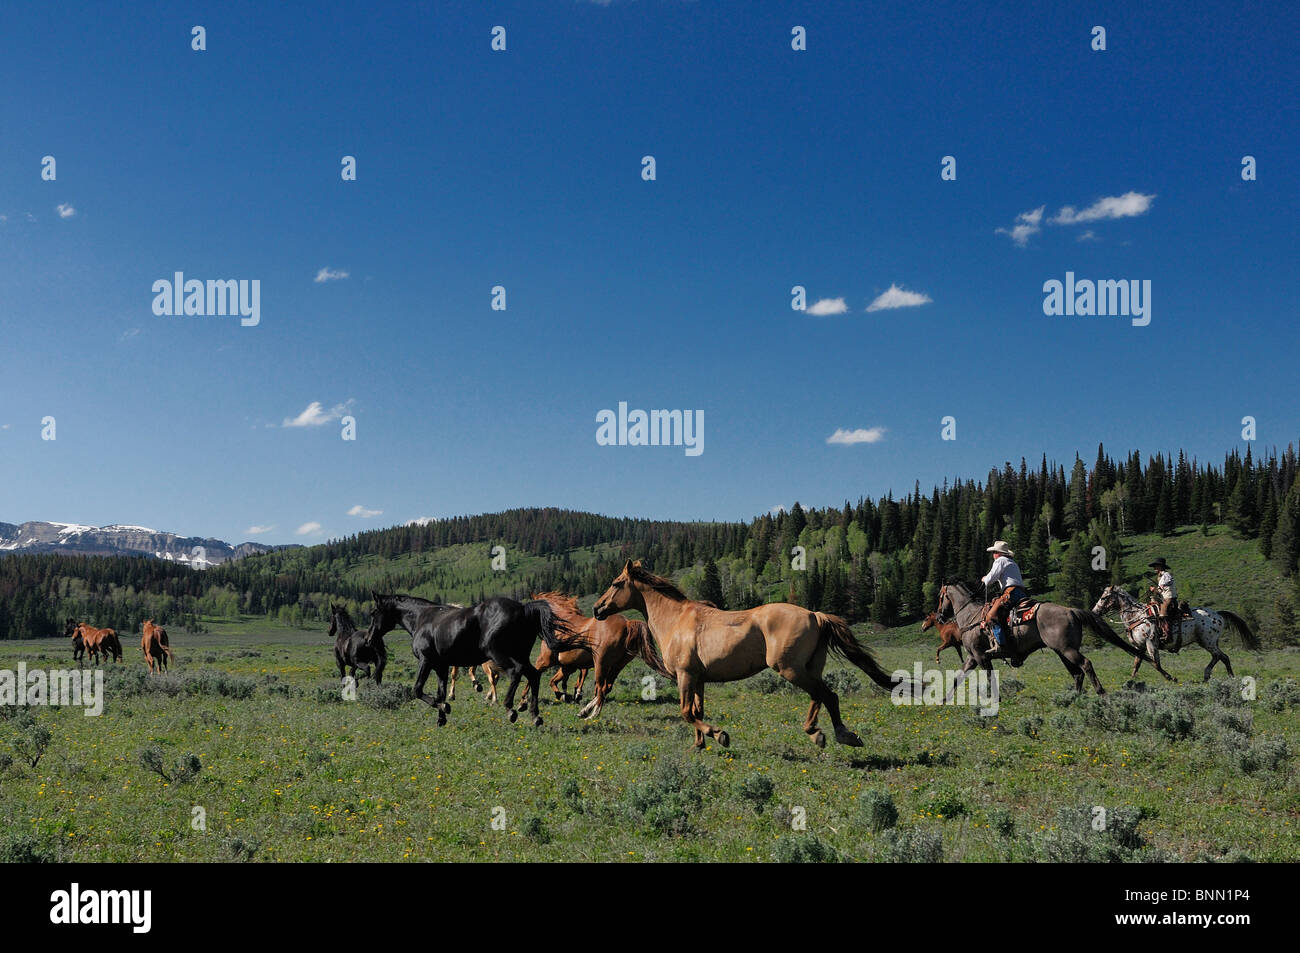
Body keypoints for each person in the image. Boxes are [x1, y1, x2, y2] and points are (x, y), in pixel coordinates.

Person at [981, 540, 1026, 654]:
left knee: (991, 615)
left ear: (998, 553)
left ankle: (1001, 644)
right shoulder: (1012, 562)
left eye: (994, 552)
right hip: (1021, 593)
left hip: (1010, 593)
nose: (993, 555)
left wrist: (985, 579)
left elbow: (990, 579)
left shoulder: (1000, 561)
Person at [1148, 558, 1178, 646]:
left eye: (1156, 566)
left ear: (1161, 566)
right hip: (1163, 597)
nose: (1154, 568)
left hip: (1169, 598)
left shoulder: (1166, 575)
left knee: (1162, 614)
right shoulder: (1160, 576)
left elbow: (1161, 588)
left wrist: (1154, 589)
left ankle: (1167, 634)